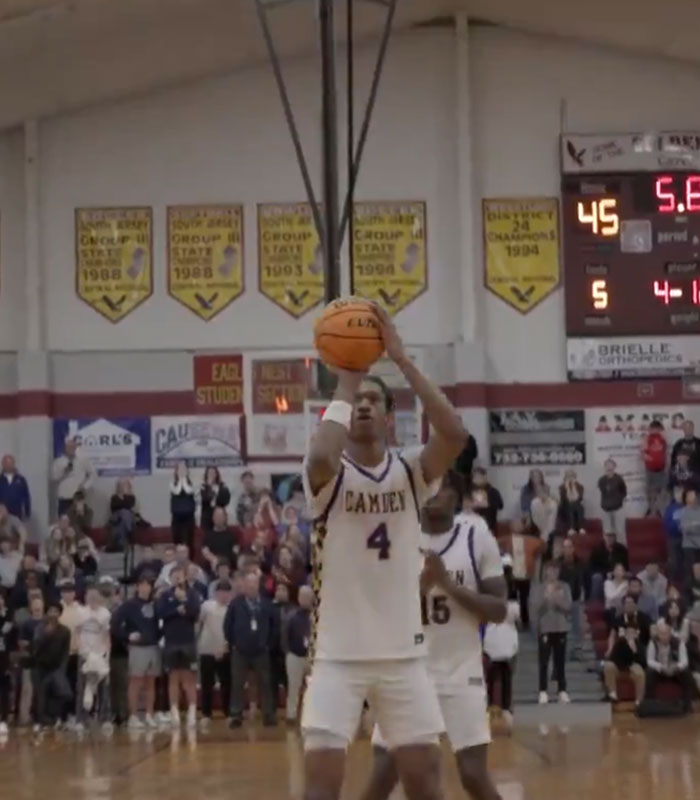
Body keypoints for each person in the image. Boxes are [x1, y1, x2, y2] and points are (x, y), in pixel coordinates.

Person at [303, 304, 465, 800]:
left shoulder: (412, 472)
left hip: (403, 657)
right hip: (336, 656)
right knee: (320, 791)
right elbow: (319, 458)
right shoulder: (328, 477)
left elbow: (455, 435)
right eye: (360, 402)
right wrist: (349, 379)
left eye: (376, 400)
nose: (366, 406)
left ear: (392, 418)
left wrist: (401, 359)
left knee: (425, 784)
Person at [362, 475, 506, 800]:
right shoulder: (396, 535)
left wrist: (449, 586)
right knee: (384, 774)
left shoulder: (475, 533)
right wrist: (419, 589)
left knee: (472, 775)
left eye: (438, 488)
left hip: (459, 670)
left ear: (455, 495)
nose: (429, 495)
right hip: (406, 673)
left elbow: (498, 610)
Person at [224, 569, 277, 727]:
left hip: (261, 651)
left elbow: (274, 626)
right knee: (238, 683)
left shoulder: (267, 604)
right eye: (248, 583)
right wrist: (234, 642)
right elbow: (227, 626)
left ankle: (268, 714)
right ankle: (236, 715)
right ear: (244, 585)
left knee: (265, 682)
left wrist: (267, 644)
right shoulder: (236, 604)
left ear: (258, 585)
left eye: (254, 582)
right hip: (240, 651)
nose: (251, 586)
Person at [111, 575, 161, 729]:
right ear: (137, 587)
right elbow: (115, 625)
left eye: (148, 585)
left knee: (151, 683)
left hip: (153, 646)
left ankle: (149, 714)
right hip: (138, 648)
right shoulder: (129, 605)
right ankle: (133, 715)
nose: (145, 588)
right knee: (136, 683)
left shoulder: (156, 604)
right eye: (142, 584)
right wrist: (127, 636)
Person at [155, 564, 201, 728]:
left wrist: (184, 604)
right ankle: (174, 712)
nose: (177, 577)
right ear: (170, 578)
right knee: (173, 678)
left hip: (188, 642)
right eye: (174, 575)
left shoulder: (192, 594)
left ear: (185, 576)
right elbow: (160, 613)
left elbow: (195, 613)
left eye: (180, 575)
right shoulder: (165, 595)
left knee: (189, 679)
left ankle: (192, 713)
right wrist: (176, 609)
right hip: (171, 642)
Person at [530, 561, 572, 704]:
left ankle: (562, 690)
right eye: (550, 570)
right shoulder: (538, 588)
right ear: (545, 571)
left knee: (560, 662)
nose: (553, 573)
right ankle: (542, 691)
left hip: (561, 628)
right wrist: (545, 598)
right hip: (545, 628)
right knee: (543, 662)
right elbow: (535, 608)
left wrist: (556, 598)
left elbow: (568, 607)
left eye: (555, 570)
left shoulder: (564, 586)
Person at [74, 586, 111, 731]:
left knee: (104, 687)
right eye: (90, 595)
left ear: (100, 598)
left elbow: (106, 635)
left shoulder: (105, 613)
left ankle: (105, 718)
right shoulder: (80, 612)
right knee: (82, 687)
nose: (93, 598)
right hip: (84, 654)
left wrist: (105, 654)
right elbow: (77, 633)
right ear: (86, 597)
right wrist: (82, 650)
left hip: (100, 654)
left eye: (96, 596)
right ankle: (80, 719)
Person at [603, 594, 650, 706]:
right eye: (626, 603)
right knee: (608, 666)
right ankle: (613, 695)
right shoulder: (618, 619)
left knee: (639, 672)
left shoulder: (643, 618)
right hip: (620, 656)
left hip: (636, 657)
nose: (628, 605)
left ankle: (639, 702)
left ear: (636, 605)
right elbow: (612, 635)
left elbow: (651, 635)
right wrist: (609, 649)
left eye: (631, 603)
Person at [33, 602, 73, 730]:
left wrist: (62, 668)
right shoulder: (40, 628)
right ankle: (40, 722)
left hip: (57, 668)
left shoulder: (65, 631)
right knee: (42, 695)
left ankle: (53, 717)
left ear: (60, 613)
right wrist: (46, 635)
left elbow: (65, 651)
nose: (53, 614)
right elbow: (36, 649)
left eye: (56, 611)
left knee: (65, 693)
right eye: (51, 611)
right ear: (46, 613)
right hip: (41, 667)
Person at [198, 579, 232, 725]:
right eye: (221, 592)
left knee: (227, 683)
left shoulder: (232, 609)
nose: (224, 595)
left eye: (226, 592)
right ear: (216, 593)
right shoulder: (206, 606)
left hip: (224, 650)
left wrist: (226, 646)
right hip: (207, 650)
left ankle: (228, 712)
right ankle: (206, 713)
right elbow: (199, 623)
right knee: (207, 683)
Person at [645, 622, 694, 711]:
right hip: (660, 671)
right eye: (661, 634)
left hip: (674, 670)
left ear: (670, 634)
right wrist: (661, 667)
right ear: (658, 634)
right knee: (649, 672)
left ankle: (687, 705)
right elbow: (649, 661)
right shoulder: (653, 642)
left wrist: (676, 667)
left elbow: (684, 661)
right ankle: (650, 704)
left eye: (665, 634)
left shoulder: (679, 643)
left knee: (687, 673)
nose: (663, 637)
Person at [286, 585, 313, 725]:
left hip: (312, 657)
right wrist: (288, 651)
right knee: (294, 687)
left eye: (307, 596)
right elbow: (285, 636)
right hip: (295, 656)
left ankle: (312, 716)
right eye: (302, 596)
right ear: (298, 598)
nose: (305, 599)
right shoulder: (292, 616)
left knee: (313, 689)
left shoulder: (317, 616)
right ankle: (291, 715)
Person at [50, 437, 95, 517]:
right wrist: (64, 472)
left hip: (78, 497)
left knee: (79, 522)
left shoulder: (83, 460)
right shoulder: (58, 462)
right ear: (65, 448)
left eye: (73, 447)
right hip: (64, 497)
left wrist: (85, 486)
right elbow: (54, 478)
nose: (71, 449)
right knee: (64, 520)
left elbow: (92, 474)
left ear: (76, 448)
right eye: (69, 447)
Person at [557, 538, 585, 660]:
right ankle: (560, 650)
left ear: (573, 549)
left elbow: (584, 580)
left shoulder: (580, 563)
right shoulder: (557, 564)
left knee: (577, 625)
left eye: (569, 547)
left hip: (575, 598)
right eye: (565, 547)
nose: (567, 550)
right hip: (560, 600)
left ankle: (577, 649)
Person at [588, 532, 629, 601]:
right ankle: (595, 604)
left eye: (612, 536)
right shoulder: (596, 549)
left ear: (615, 537)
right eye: (608, 536)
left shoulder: (622, 549)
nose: (609, 539)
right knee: (597, 577)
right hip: (602, 575)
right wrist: (606, 573)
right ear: (604, 536)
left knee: (629, 576)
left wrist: (620, 572)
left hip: (618, 574)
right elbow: (592, 568)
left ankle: (625, 603)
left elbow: (625, 566)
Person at [597, 460, 627, 544]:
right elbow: (602, 491)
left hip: (618, 508)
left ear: (614, 467)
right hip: (605, 509)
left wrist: (619, 500)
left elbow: (624, 492)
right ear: (605, 468)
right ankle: (608, 551)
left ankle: (621, 551)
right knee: (607, 532)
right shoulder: (601, 480)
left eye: (611, 466)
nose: (609, 468)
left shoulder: (619, 479)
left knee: (620, 531)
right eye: (607, 466)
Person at [641, 420, 667, 516]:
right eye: (653, 428)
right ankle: (652, 509)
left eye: (657, 429)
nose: (655, 430)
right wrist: (650, 459)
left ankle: (658, 510)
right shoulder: (647, 439)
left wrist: (661, 462)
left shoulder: (662, 439)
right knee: (650, 491)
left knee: (661, 491)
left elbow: (663, 453)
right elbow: (643, 453)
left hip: (661, 469)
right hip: (650, 469)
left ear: (659, 429)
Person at [201, 507, 237, 575]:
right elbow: (205, 551)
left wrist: (222, 563)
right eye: (216, 516)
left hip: (227, 568)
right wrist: (215, 560)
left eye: (220, 516)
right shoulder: (208, 535)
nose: (218, 518)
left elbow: (235, 552)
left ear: (225, 517)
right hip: (212, 568)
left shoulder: (231, 535)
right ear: (213, 518)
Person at [169, 462, 196, 552]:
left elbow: (189, 491)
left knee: (188, 541)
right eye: (179, 469)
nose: (182, 471)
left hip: (188, 517)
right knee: (177, 540)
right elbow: (176, 491)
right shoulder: (172, 483)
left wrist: (184, 480)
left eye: (184, 469)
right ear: (176, 471)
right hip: (177, 517)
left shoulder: (191, 483)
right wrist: (180, 480)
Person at [664, 485, 686, 585]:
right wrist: (678, 527)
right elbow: (666, 525)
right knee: (673, 561)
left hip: (688, 538)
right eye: (677, 491)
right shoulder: (670, 508)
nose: (679, 493)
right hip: (673, 538)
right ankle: (672, 583)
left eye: (681, 491)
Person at [470, 467, 503, 534]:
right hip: (472, 528)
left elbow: (500, 505)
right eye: (476, 478)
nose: (479, 480)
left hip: (489, 528)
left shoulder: (493, 491)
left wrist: (486, 502)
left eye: (482, 478)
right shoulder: (469, 492)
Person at [679, 487, 700, 589]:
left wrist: (693, 525)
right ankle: (688, 598)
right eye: (690, 495)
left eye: (694, 495)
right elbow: (684, 529)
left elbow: (690, 528)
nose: (693, 497)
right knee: (689, 574)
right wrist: (697, 525)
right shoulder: (682, 512)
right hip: (689, 546)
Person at [0, 454, 31, 521]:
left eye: (10, 463)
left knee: (18, 530)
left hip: (17, 512)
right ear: (2, 464)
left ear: (14, 464)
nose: (8, 465)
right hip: (2, 514)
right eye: (6, 463)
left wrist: (27, 512)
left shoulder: (21, 479)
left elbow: (26, 496)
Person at [200, 467, 231, 533]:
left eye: (213, 473)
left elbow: (226, 500)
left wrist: (217, 498)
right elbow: (205, 499)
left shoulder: (223, 486)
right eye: (209, 473)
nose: (211, 475)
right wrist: (209, 487)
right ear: (206, 475)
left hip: (220, 516)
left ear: (217, 474)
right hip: (207, 517)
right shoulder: (203, 487)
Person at [0, 592, 14, 734]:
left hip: (3, 656)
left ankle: (3, 719)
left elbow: (8, 632)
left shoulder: (8, 616)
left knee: (4, 688)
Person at [558, 470, 585, 535]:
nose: (570, 478)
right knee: (572, 506)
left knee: (580, 507)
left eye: (572, 476)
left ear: (575, 477)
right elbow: (563, 499)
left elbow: (580, 498)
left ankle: (580, 528)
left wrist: (573, 488)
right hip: (565, 505)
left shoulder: (580, 486)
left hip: (577, 505)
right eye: (568, 476)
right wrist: (567, 488)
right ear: (565, 477)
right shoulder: (561, 487)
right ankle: (572, 528)